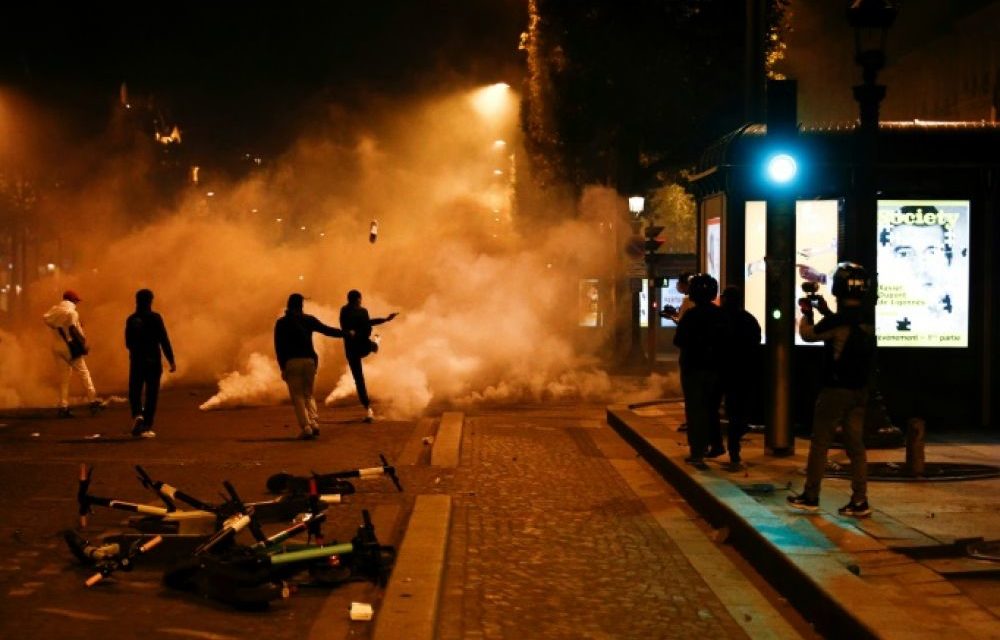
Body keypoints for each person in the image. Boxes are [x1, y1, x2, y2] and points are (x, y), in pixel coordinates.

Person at [788, 262, 876, 518]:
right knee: (856, 446)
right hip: (860, 390)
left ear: (838, 288)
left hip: (835, 390)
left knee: (820, 443)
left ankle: (811, 495)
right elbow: (844, 332)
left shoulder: (838, 321)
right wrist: (826, 311)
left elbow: (807, 334)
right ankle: (860, 500)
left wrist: (807, 313)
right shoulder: (867, 318)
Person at [672, 273, 726, 468]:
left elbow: (678, 341)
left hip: (693, 368)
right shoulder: (721, 315)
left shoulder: (691, 316)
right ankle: (717, 444)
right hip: (716, 369)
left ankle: (697, 451)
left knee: (695, 409)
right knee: (712, 408)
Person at [273, 293, 344, 439]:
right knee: (308, 394)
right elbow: (328, 330)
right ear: (301, 306)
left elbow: (279, 347)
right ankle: (314, 422)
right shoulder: (308, 320)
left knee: (297, 396)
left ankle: (306, 427)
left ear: (288, 305)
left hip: (292, 362)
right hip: (309, 361)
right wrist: (347, 333)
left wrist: (283, 367)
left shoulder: (281, 323)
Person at [718, 285, 762, 470]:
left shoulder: (720, 319)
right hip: (744, 371)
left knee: (730, 410)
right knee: (740, 413)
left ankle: (727, 447)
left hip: (725, 370)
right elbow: (756, 342)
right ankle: (733, 448)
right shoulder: (748, 319)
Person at [339, 289, 398, 422]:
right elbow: (368, 323)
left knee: (359, 379)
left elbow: (350, 326)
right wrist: (386, 319)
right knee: (360, 377)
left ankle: (367, 408)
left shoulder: (346, 310)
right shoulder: (361, 311)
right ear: (358, 299)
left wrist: (385, 319)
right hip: (361, 346)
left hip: (353, 348)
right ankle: (367, 408)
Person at [43, 290, 102, 418]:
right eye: (76, 300)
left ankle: (63, 407)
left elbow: (48, 320)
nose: (77, 302)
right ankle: (93, 401)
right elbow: (76, 332)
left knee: (64, 378)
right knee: (84, 374)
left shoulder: (53, 311)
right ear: (72, 301)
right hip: (70, 348)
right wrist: (84, 344)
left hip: (56, 347)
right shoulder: (72, 313)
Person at [125, 289, 176, 438]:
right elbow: (164, 340)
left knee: (134, 390)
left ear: (136, 300)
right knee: (151, 394)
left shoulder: (131, 319)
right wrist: (171, 360)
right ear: (151, 301)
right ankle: (147, 426)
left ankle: (137, 414)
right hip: (153, 361)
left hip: (137, 361)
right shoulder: (156, 318)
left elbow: (127, 343)